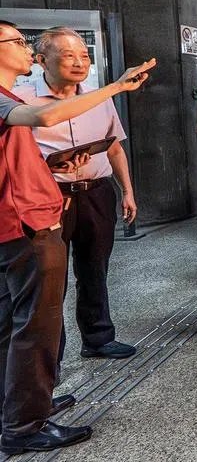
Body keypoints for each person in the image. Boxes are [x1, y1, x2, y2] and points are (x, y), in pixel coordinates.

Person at [0, 20, 153, 454]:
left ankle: (21, 405)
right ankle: (25, 425)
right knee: (36, 323)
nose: (24, 48)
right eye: (17, 41)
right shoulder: (14, 100)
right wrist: (116, 86)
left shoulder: (11, 97)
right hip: (27, 222)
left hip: (28, 217)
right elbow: (45, 116)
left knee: (16, 319)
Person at [14, 28, 139, 362]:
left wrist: (127, 191)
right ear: (42, 60)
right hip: (48, 197)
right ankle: (49, 357)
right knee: (48, 279)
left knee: (95, 268)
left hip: (96, 193)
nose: (79, 62)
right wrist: (49, 164)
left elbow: (114, 149)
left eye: (84, 55)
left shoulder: (99, 98)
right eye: (68, 55)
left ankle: (98, 338)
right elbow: (16, 154)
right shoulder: (21, 100)